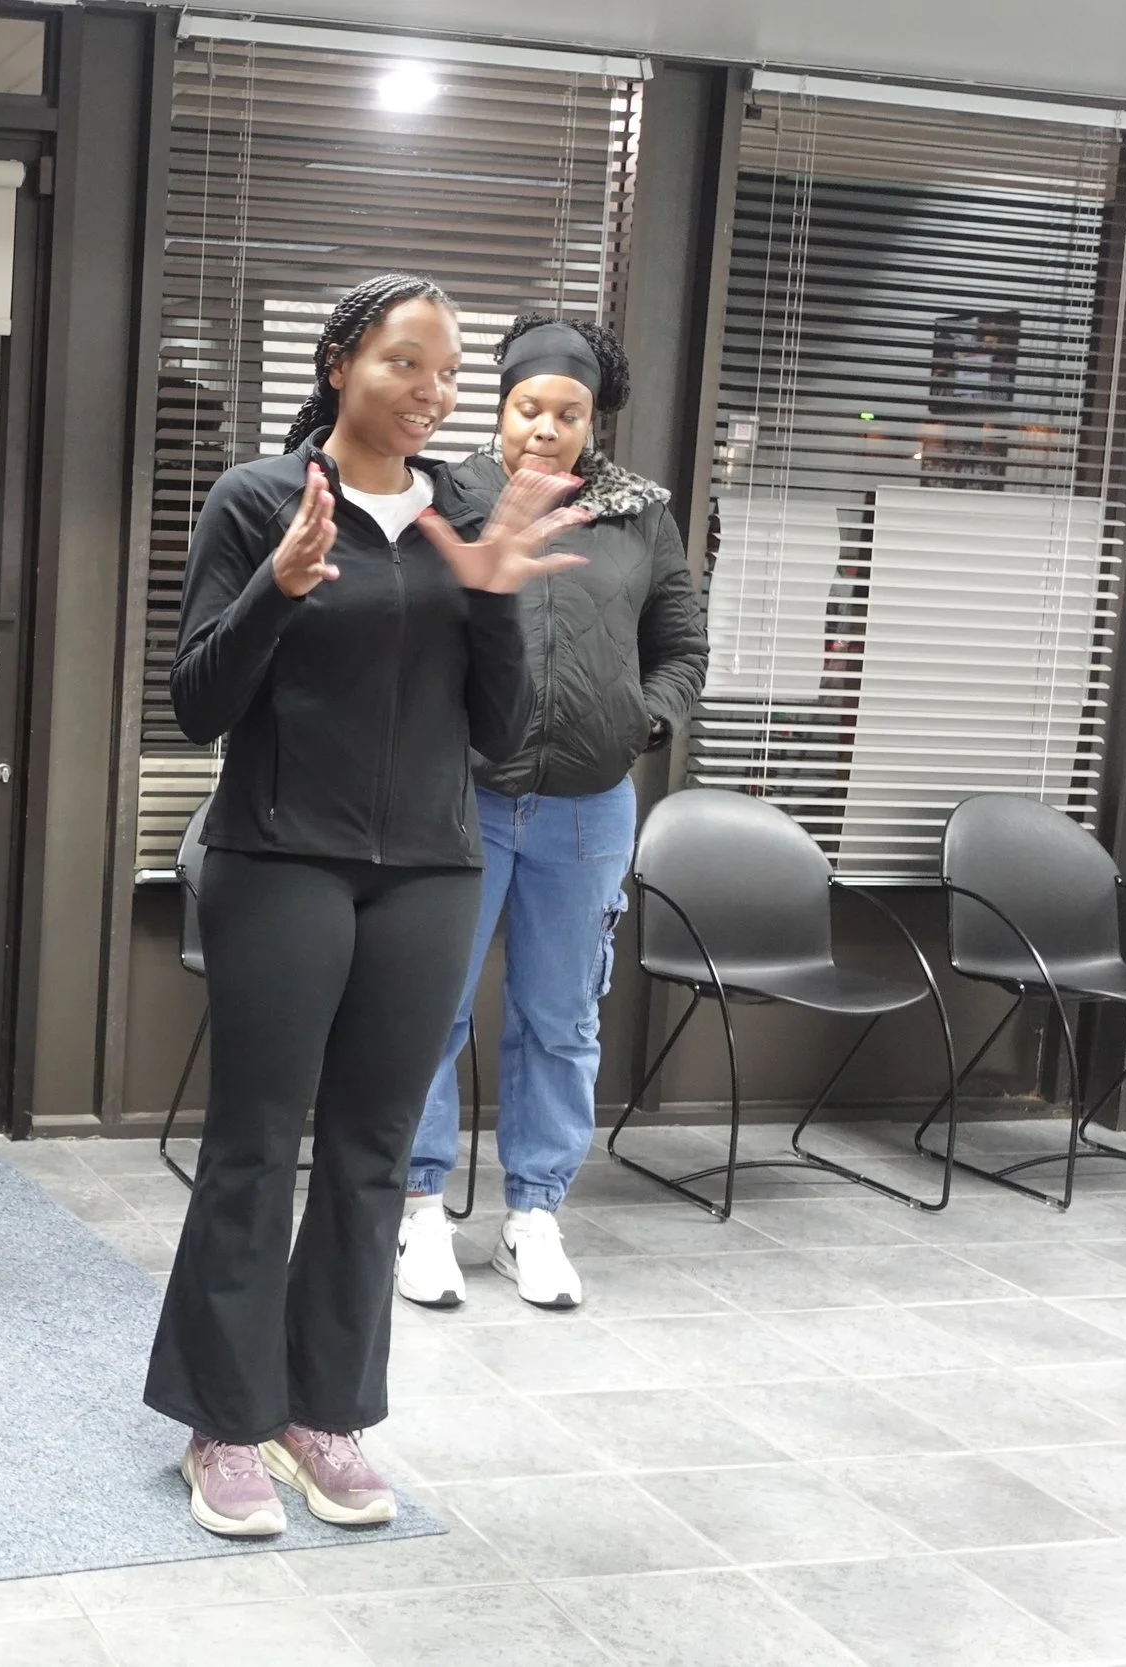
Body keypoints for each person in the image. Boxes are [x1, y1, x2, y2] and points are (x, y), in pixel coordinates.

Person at [144, 273, 587, 1539]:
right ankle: (223, 1421)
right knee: (252, 1144)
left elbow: (502, 732)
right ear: (339, 361)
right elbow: (197, 703)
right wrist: (275, 590)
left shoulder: (463, 515)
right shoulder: (257, 499)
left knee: (370, 1153)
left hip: (429, 869)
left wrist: (492, 600)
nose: (430, 392)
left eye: (447, 373)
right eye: (404, 362)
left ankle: (322, 1411)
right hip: (280, 855)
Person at [397, 315, 708, 1311]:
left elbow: (681, 645)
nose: (545, 427)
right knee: (429, 1009)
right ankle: (417, 1207)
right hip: (462, 799)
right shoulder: (444, 497)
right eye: (528, 407)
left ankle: (532, 1215)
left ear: (592, 420)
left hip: (587, 807)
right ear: (500, 409)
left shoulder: (637, 515)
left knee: (561, 1018)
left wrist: (641, 721)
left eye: (567, 413)